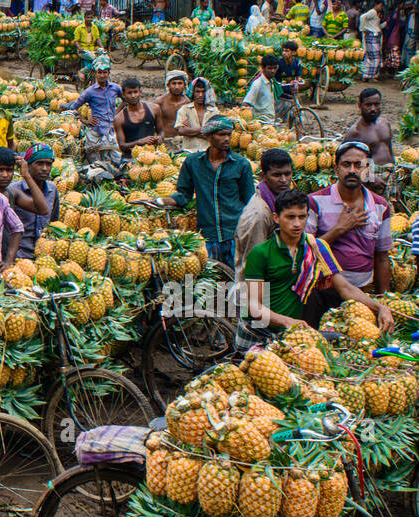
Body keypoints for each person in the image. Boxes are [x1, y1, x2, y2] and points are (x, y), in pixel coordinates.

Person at [240, 189, 392, 350]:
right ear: (276, 218)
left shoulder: (317, 248)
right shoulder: (260, 253)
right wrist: (287, 321)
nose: (297, 223)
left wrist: (380, 307)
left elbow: (345, 288)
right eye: (290, 217)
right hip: (258, 332)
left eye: (302, 217)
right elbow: (253, 306)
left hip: (290, 335)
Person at [163, 116, 255, 269]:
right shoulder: (193, 163)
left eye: (229, 134)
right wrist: (162, 201)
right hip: (207, 235)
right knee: (212, 285)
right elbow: (183, 195)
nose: (226, 139)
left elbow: (250, 201)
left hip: (234, 234)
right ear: (208, 136)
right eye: (221, 135)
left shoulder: (241, 165)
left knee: (237, 283)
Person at [305, 141, 394, 292]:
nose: (352, 170)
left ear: (368, 169)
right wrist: (341, 228)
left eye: (359, 165)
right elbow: (304, 251)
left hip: (364, 290)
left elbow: (382, 257)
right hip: (323, 290)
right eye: (346, 164)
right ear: (336, 169)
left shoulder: (380, 206)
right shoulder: (314, 202)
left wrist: (383, 297)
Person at [237, 148, 295, 278]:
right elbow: (254, 265)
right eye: (277, 175)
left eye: (287, 174)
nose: (284, 180)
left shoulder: (278, 199)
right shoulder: (259, 215)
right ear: (263, 176)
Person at [63, 57, 121, 161]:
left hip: (111, 130)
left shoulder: (115, 88)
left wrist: (117, 112)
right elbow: (73, 108)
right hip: (96, 131)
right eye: (99, 72)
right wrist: (85, 121)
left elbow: (125, 99)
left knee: (116, 160)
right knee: (95, 161)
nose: (102, 75)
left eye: (105, 72)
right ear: (95, 73)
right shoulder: (90, 92)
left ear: (109, 73)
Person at [8, 144, 59, 260]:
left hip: (45, 256)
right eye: (39, 163)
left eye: (48, 164)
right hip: (19, 255)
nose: (45, 168)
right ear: (28, 165)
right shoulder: (13, 190)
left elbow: (53, 222)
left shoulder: (52, 190)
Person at [343, 88, 393, 187]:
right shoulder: (355, 131)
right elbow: (345, 160)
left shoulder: (385, 123)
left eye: (376, 104)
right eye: (368, 105)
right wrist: (371, 177)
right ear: (360, 106)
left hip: (391, 173)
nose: (373, 108)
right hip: (372, 177)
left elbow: (389, 149)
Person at [115, 76, 161, 156]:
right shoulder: (119, 118)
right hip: (130, 158)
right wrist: (139, 142)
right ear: (123, 95)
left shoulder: (154, 109)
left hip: (152, 155)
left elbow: (161, 131)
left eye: (135, 92)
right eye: (129, 93)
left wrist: (159, 138)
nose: (133, 96)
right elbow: (122, 146)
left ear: (140, 92)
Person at [174, 77, 221, 152]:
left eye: (203, 92)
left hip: (209, 151)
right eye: (197, 92)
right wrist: (206, 129)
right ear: (193, 93)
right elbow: (181, 131)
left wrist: (190, 130)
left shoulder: (213, 111)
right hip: (189, 151)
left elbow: (215, 135)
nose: (200, 95)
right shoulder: (185, 109)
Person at [242, 54, 282, 125]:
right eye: (269, 68)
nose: (272, 71)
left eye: (274, 68)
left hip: (270, 121)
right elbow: (246, 103)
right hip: (261, 122)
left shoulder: (271, 81)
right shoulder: (257, 84)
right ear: (263, 68)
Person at [155, 70, 191, 144]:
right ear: (168, 85)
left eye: (180, 83)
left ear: (184, 85)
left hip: (182, 141)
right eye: (174, 83)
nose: (176, 87)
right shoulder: (160, 102)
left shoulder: (187, 103)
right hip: (164, 141)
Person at [360, 0, 383, 78]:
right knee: (374, 56)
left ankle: (368, 74)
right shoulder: (372, 12)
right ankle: (369, 75)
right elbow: (362, 17)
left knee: (371, 56)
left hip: (374, 35)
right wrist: (363, 28)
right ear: (376, 5)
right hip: (372, 36)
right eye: (380, 5)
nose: (381, 7)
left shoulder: (375, 13)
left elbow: (374, 25)